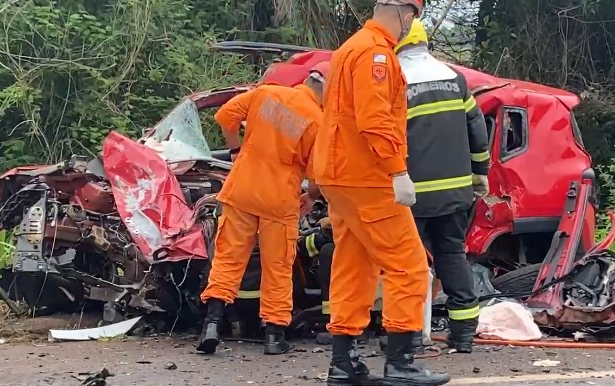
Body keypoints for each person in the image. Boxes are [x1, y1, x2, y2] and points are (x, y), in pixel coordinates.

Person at [310, 0, 450, 384]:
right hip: (366, 175)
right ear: (406, 13)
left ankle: (344, 361)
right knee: (409, 265)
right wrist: (397, 171)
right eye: (414, 17)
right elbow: (373, 120)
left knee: (353, 264)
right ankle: (401, 362)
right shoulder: (376, 54)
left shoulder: (349, 48)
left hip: (338, 175)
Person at [196, 62, 330, 356]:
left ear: (306, 80)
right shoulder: (318, 120)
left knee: (228, 259)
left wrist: (236, 150)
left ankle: (211, 326)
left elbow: (225, 117)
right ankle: (273, 335)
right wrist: (310, 196)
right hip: (279, 199)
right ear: (325, 91)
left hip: (242, 189)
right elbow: (317, 175)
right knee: (278, 266)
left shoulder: (266, 93)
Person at [395, 19, 490, 354]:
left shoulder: (397, 82)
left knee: (408, 264)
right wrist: (481, 171)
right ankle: (463, 334)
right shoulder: (456, 79)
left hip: (410, 192)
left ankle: (411, 336)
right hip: (455, 191)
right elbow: (477, 129)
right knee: (452, 255)